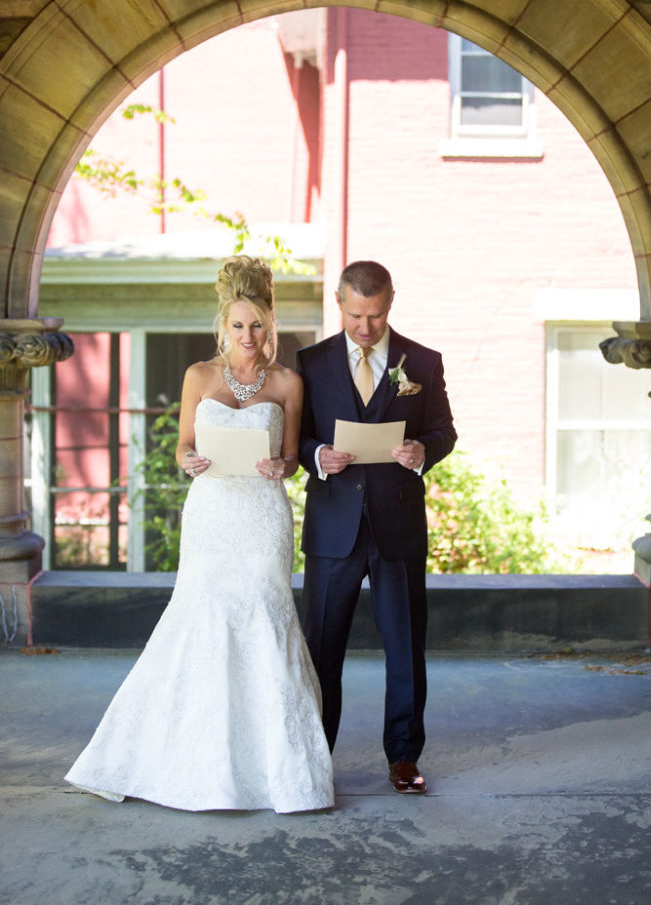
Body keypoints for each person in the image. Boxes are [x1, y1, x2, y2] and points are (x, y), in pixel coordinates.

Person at [65, 256, 334, 814]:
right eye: (238, 325)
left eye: (257, 325)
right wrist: (189, 460)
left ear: (270, 323)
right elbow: (184, 445)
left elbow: (291, 459)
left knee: (265, 618)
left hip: (262, 517)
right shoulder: (199, 376)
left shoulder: (288, 382)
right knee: (200, 622)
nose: (248, 336)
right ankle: (187, 765)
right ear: (223, 325)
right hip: (212, 514)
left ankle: (279, 775)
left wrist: (284, 468)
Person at [296, 261, 456, 795]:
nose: (366, 327)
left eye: (378, 314)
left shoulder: (424, 363)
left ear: (391, 302)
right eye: (356, 314)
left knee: (406, 647)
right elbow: (294, 438)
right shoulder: (310, 363)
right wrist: (317, 454)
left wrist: (421, 452)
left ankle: (405, 759)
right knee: (322, 649)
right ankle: (315, 757)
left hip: (398, 526)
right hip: (333, 528)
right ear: (338, 302)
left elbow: (444, 431)